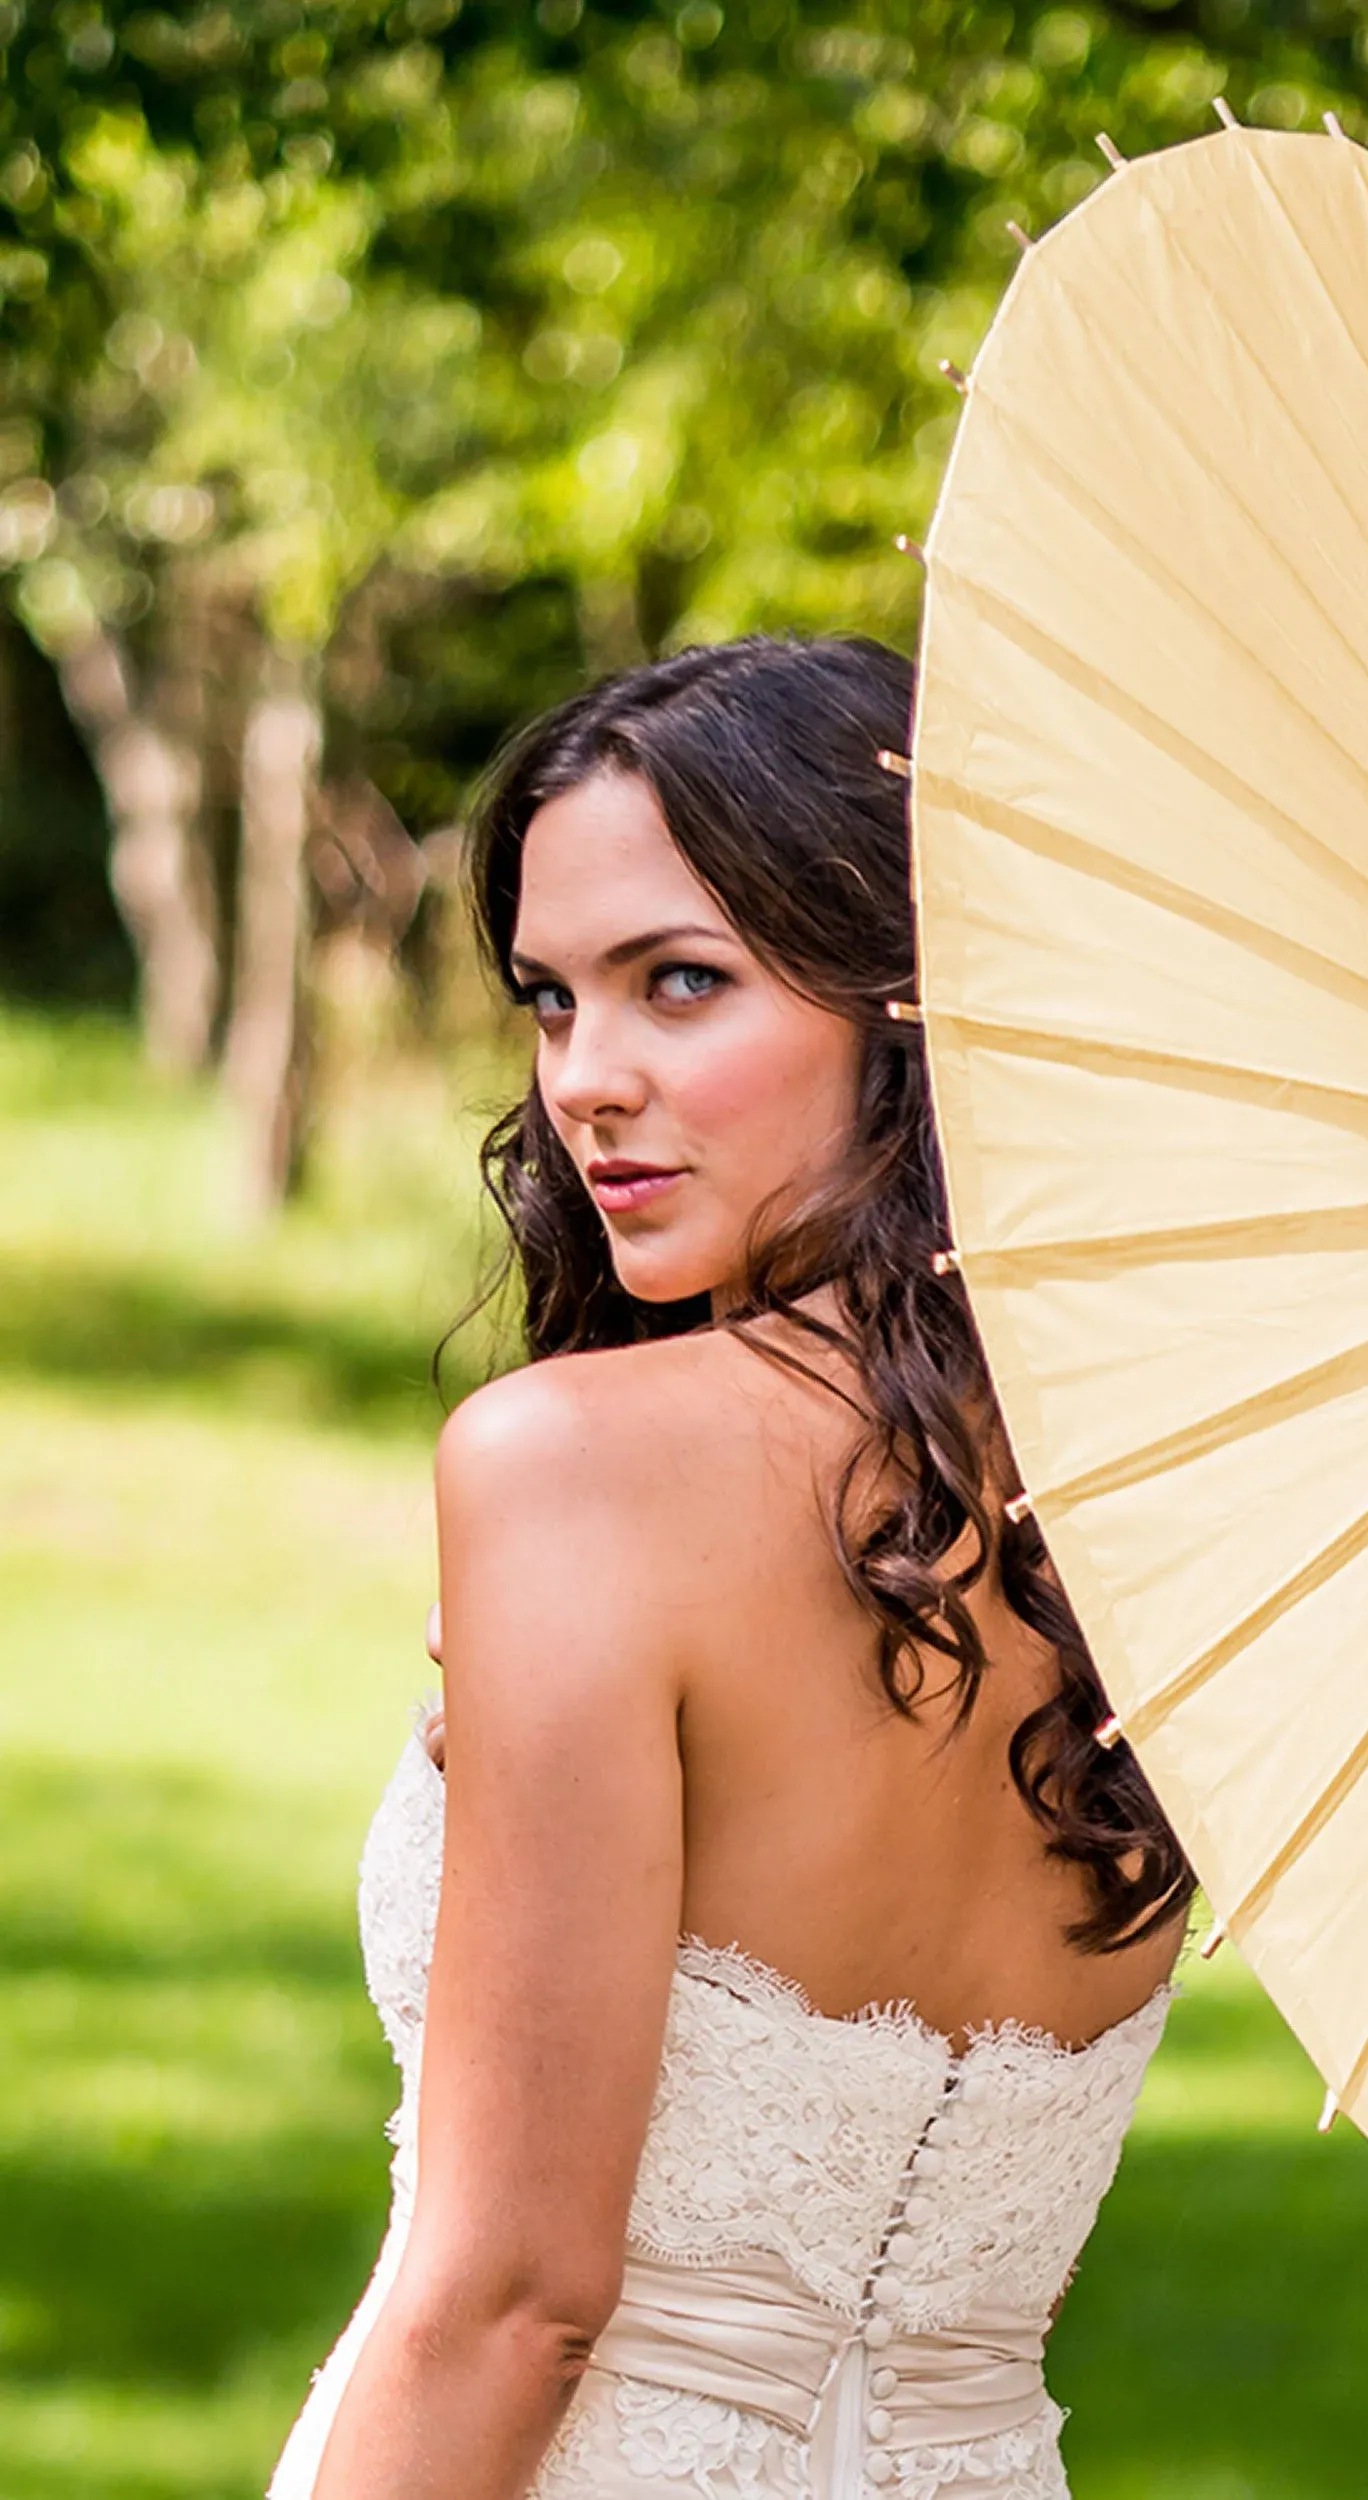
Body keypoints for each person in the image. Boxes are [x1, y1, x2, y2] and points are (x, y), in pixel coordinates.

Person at [267, 633, 1193, 2500]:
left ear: (906, 1007)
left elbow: (517, 2299)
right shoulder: (1166, 1509)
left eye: (679, 985)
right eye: (548, 1001)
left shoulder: (572, 1473)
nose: (586, 1080)